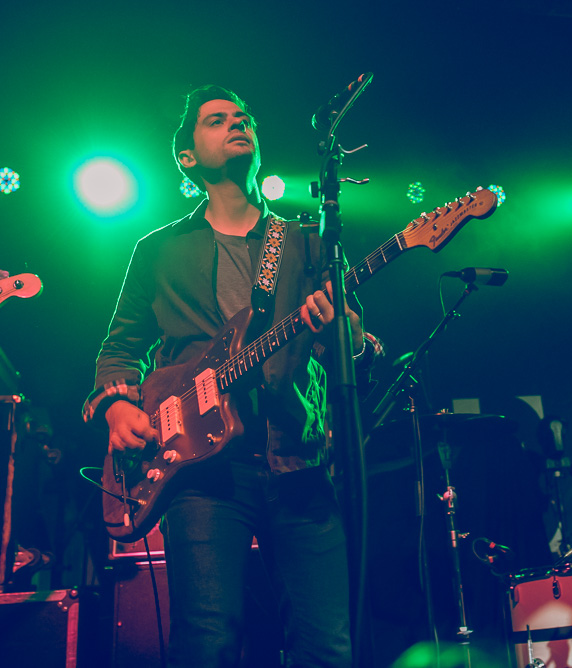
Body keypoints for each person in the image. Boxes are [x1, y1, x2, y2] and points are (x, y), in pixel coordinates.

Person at [83, 85, 380, 667]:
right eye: (216, 120)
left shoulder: (308, 241)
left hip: (299, 462)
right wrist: (119, 407)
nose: (236, 122)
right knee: (210, 640)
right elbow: (118, 353)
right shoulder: (157, 251)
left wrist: (349, 338)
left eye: (242, 117)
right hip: (200, 473)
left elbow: (356, 360)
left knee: (328, 646)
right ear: (188, 158)